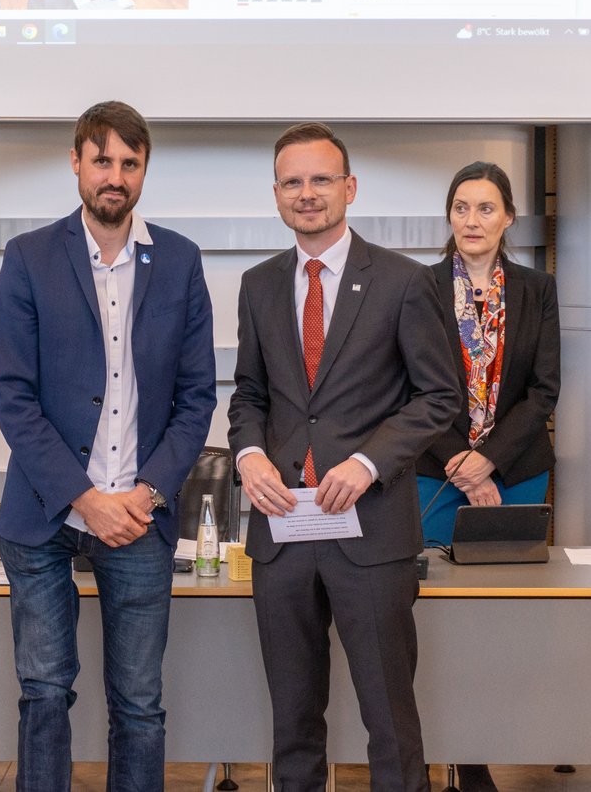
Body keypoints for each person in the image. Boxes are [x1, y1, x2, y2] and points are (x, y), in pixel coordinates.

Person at [228, 122, 461, 791]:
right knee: (294, 721)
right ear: (276, 194)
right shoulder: (259, 284)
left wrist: (366, 463)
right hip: (284, 533)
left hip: (370, 532)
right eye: (293, 182)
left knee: (389, 719)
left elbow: (438, 397)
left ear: (350, 187)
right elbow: (249, 394)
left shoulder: (403, 282)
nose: (308, 194)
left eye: (321, 179)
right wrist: (247, 454)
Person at [0, 100, 216, 791]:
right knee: (45, 693)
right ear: (76, 164)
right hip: (45, 516)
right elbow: (14, 399)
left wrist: (143, 496)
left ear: (143, 169)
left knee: (140, 707)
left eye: (129, 162)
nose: (114, 176)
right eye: (102, 161)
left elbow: (195, 400)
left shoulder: (178, 261)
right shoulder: (29, 257)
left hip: (140, 516)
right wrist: (87, 499)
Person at [411, 161, 559, 792]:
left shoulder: (536, 289)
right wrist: (459, 464)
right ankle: (439, 751)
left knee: (500, 623)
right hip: (432, 474)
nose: (473, 220)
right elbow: (405, 387)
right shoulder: (414, 288)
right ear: (450, 217)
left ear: (508, 219)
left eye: (487, 208)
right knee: (430, 623)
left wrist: (489, 460)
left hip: (517, 472)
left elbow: (543, 391)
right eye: (462, 208)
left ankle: (484, 750)